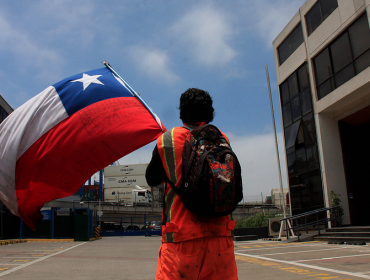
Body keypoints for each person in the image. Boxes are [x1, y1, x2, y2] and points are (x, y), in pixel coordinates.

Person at [145, 88, 238, 280]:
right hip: (221, 239)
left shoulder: (168, 140)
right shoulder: (222, 139)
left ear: (181, 113)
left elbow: (151, 179)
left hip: (181, 240)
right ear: (210, 113)